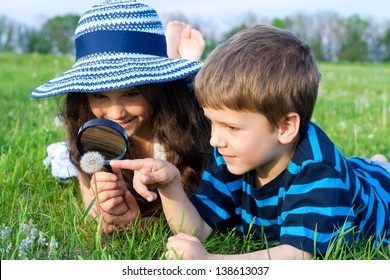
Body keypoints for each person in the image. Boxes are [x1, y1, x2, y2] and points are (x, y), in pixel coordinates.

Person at [110, 25, 390, 259]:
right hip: (349, 173)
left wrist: (211, 263)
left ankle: (379, 166)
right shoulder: (229, 156)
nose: (215, 139)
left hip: (378, 194)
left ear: (285, 127)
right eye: (212, 122)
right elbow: (198, 229)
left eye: (232, 127)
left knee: (373, 176)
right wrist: (171, 187)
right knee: (361, 168)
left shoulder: (317, 170)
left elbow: (298, 256)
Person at [31, 0, 211, 233]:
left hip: (176, 102)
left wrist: (147, 223)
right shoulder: (89, 134)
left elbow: (205, 216)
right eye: (99, 95)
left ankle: (180, 61)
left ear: (155, 85)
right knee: (62, 163)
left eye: (131, 93)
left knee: (199, 93)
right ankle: (175, 57)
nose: (116, 113)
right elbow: (95, 215)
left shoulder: (194, 129)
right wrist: (111, 214)